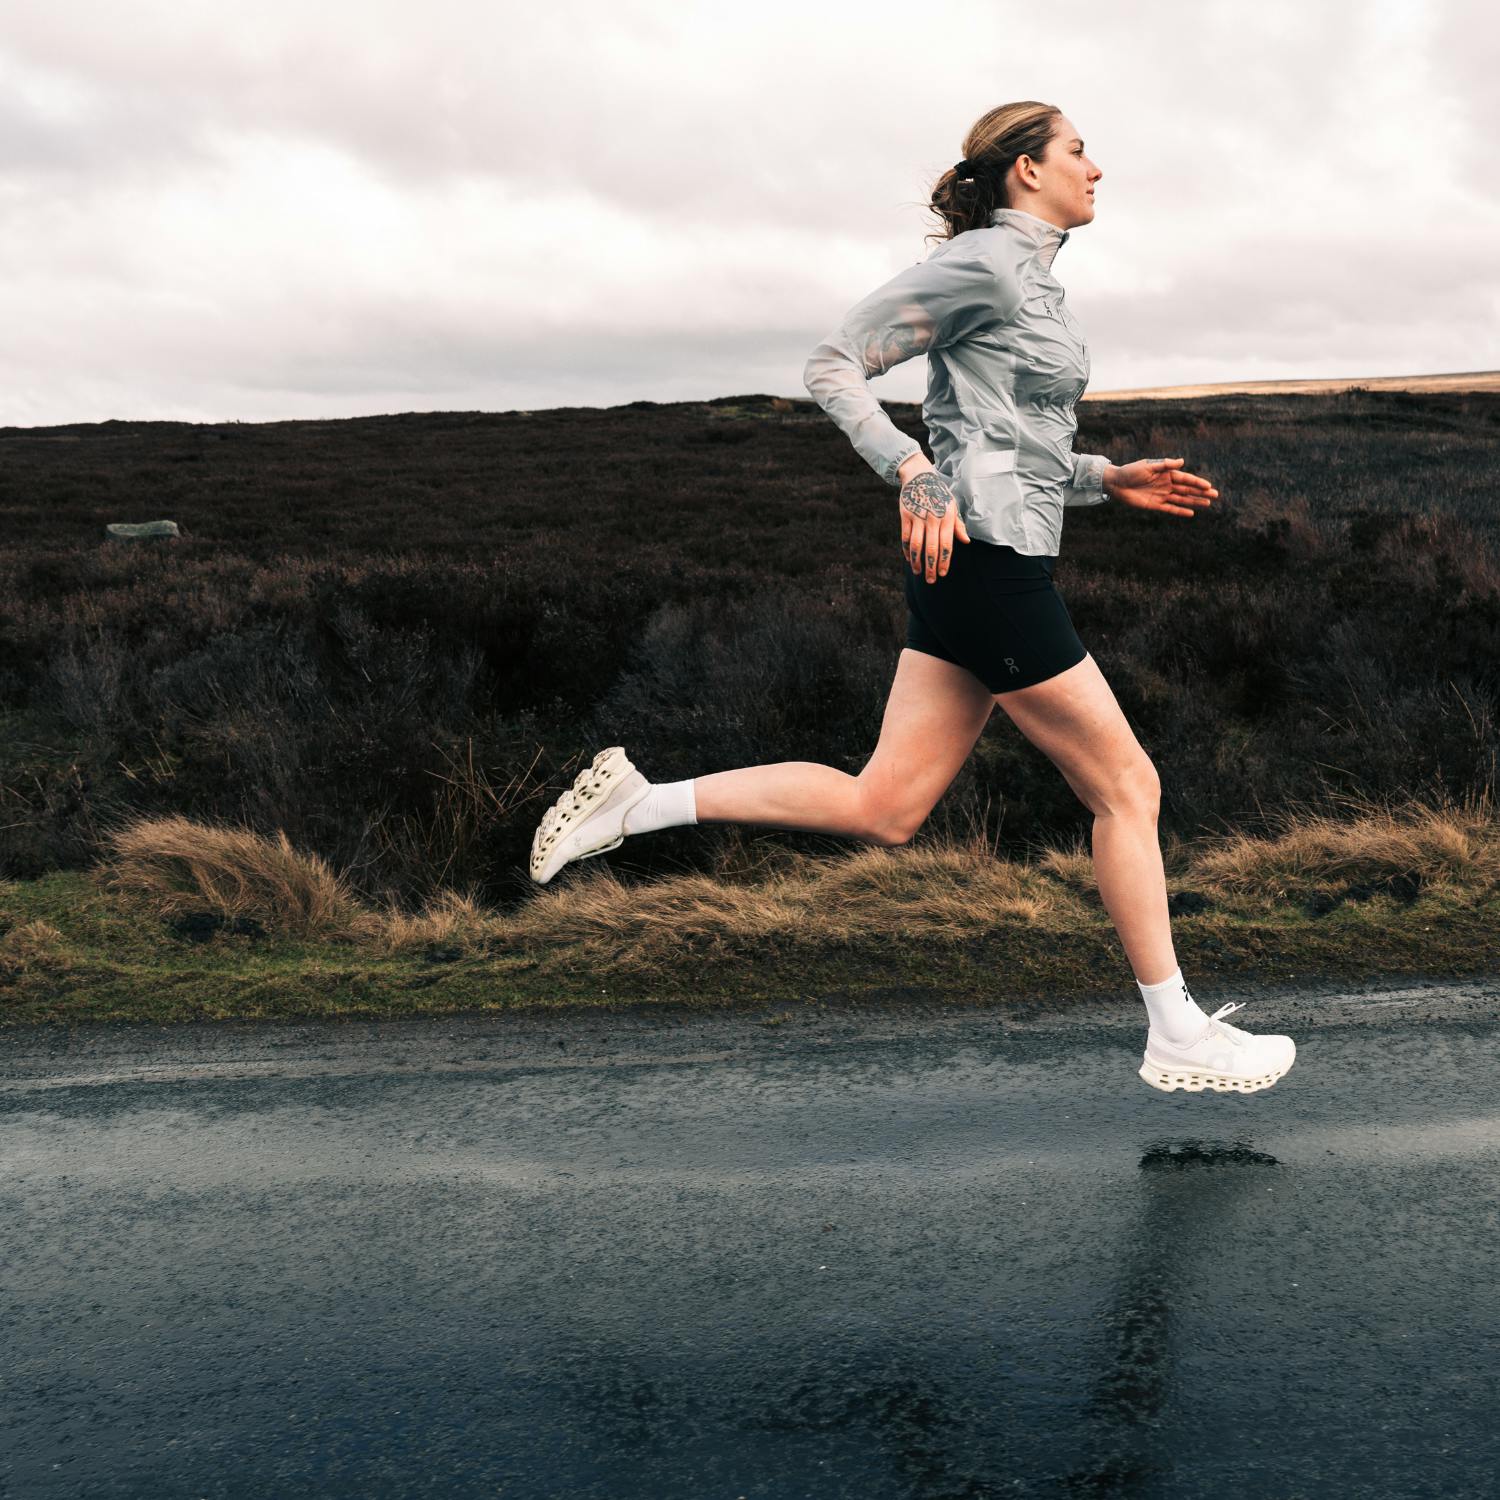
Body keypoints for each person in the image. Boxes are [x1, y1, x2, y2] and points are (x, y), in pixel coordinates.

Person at [529, 101, 1295, 1097]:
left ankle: (639, 802)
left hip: (982, 561)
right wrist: (908, 467)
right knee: (1128, 788)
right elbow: (833, 363)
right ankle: (1176, 1030)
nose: (1096, 168)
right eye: (1077, 151)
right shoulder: (984, 264)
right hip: (986, 566)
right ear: (1025, 170)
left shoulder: (1035, 284)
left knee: (886, 805)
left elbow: (1007, 444)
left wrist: (1107, 478)